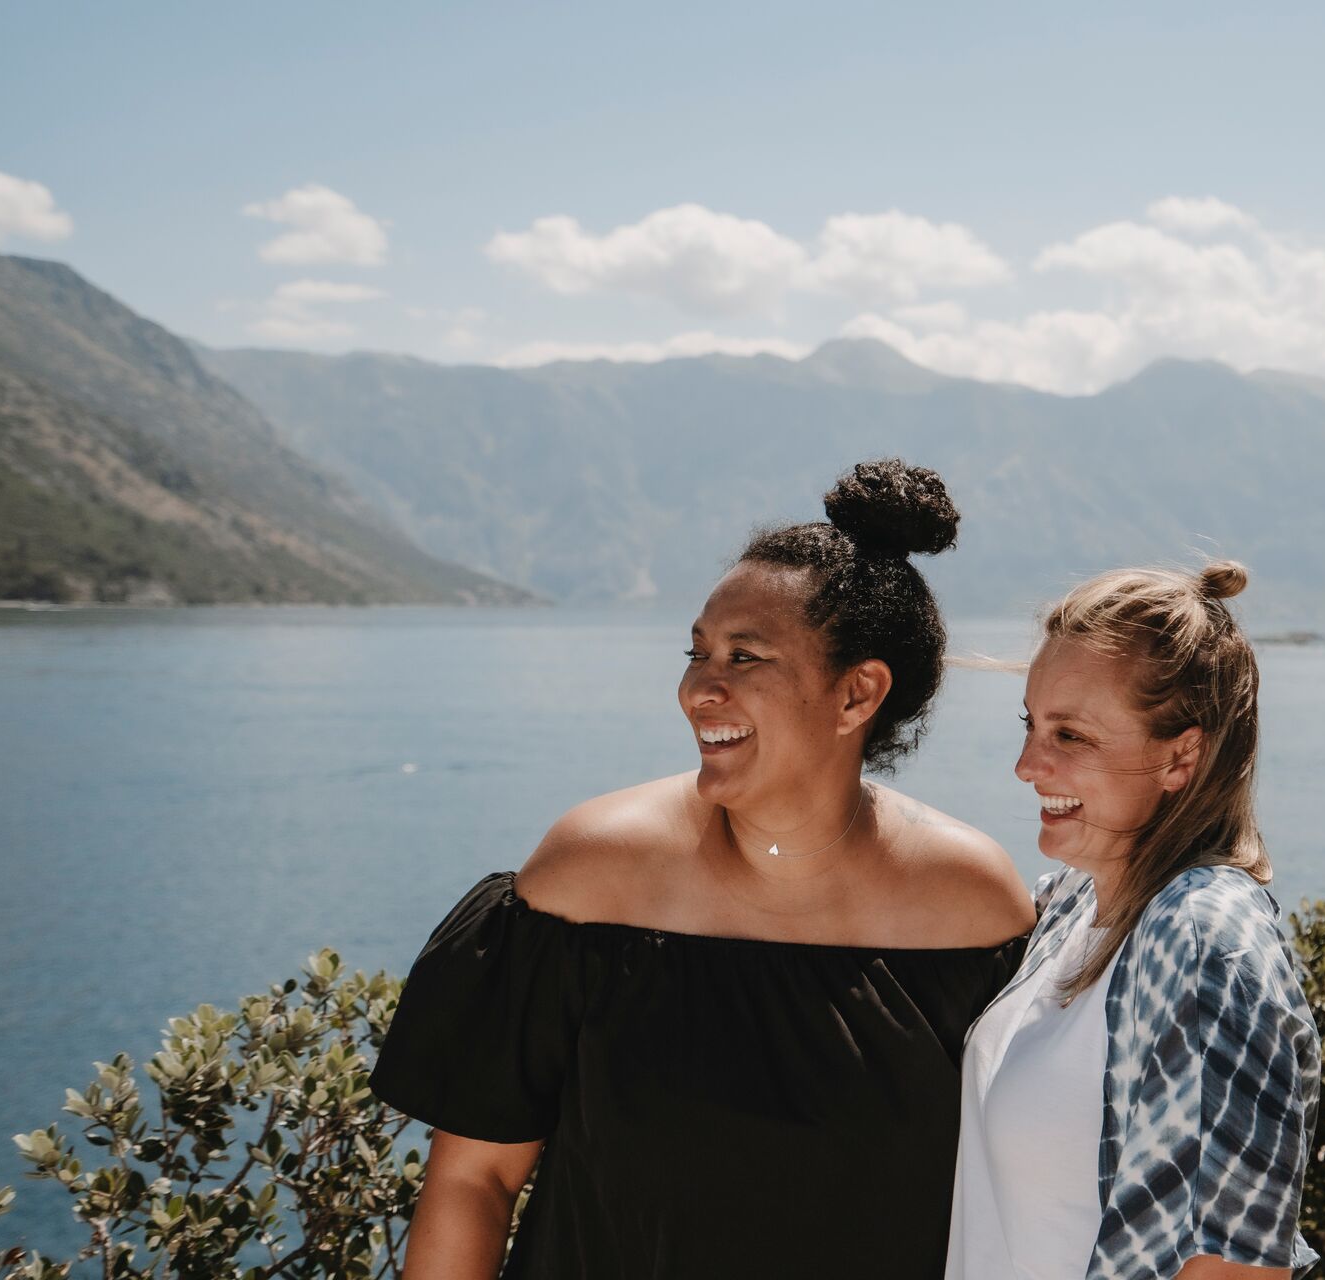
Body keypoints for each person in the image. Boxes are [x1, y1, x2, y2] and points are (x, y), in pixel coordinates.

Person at [370, 459, 1036, 1280]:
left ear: (858, 694)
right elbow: (474, 1180)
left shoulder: (970, 905)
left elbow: (1020, 1203)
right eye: (697, 653)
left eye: (745, 658)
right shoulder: (589, 875)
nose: (698, 691)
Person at [947, 561, 1321, 1280]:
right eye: (1031, 725)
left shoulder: (1210, 945)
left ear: (1181, 756)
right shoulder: (1072, 909)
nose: (1027, 764)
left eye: (1071, 737)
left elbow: (1234, 1267)